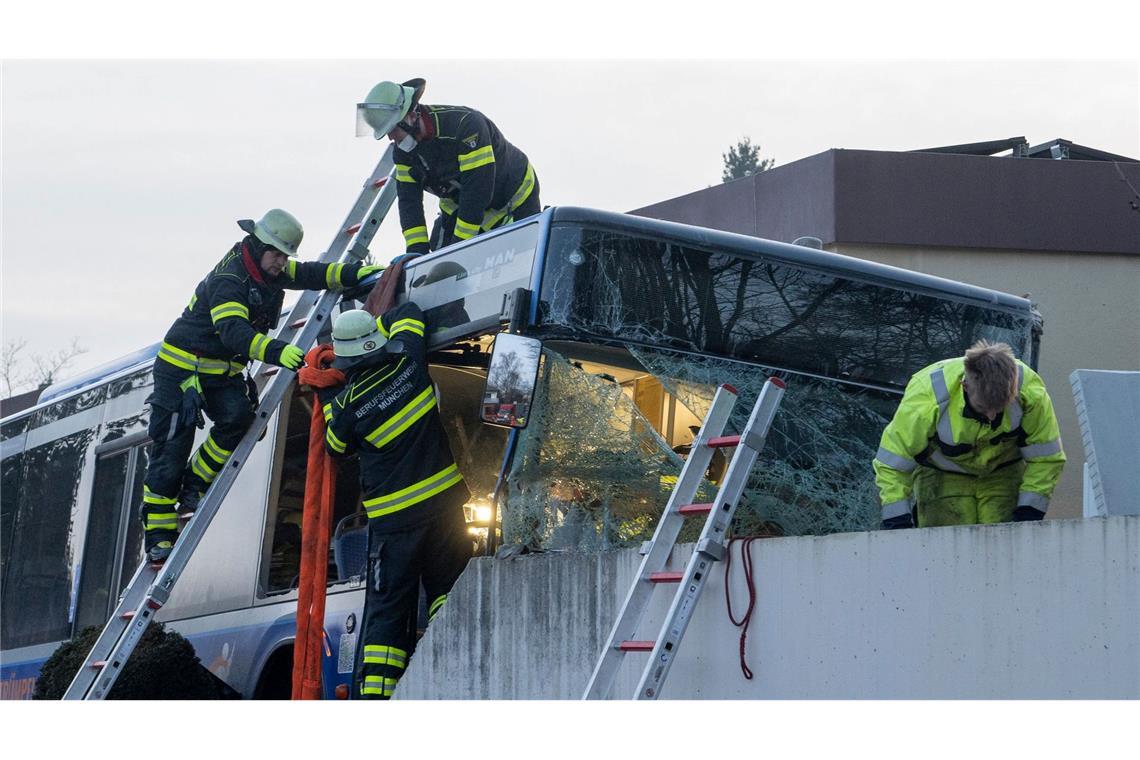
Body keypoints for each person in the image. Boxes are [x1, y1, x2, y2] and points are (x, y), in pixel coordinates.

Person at [141, 209, 382, 562]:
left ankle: (194, 483)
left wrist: (361, 275)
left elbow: (315, 274)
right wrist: (276, 351)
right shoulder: (229, 279)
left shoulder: (270, 269)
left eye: (286, 255)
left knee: (239, 420)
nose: (282, 262)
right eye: (277, 254)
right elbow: (233, 331)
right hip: (182, 369)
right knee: (170, 450)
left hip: (221, 371)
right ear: (257, 245)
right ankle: (159, 534)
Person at [320, 304, 472, 699]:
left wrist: (327, 390)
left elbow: (335, 446)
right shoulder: (409, 361)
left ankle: (378, 699)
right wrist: (379, 322)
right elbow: (409, 311)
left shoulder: (349, 405)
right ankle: (452, 669)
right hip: (445, 510)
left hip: (395, 525)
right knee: (448, 590)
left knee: (389, 610)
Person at [874, 340, 1065, 529]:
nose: (991, 416)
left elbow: (1046, 459)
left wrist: (1029, 511)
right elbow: (893, 464)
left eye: (999, 408)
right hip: (941, 477)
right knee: (946, 548)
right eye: (983, 407)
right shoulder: (927, 396)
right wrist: (897, 520)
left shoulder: (1031, 394)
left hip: (1003, 474)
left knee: (1002, 548)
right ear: (965, 386)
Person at [356, 78, 540, 262]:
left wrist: (460, 246)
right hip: (459, 204)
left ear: (411, 116)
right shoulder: (403, 153)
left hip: (514, 197)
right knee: (440, 265)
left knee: (523, 259)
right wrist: (416, 252)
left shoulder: (465, 126)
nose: (390, 137)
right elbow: (408, 202)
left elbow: (477, 191)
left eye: (392, 129)